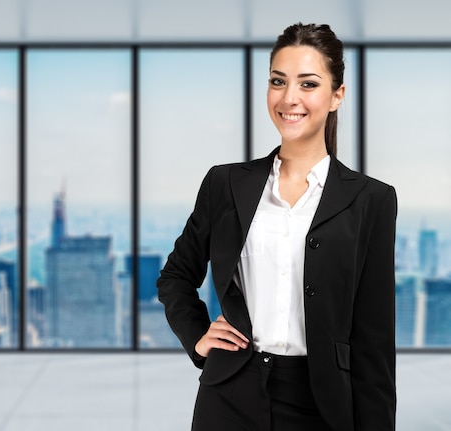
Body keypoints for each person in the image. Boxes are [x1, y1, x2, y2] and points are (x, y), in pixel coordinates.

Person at [157, 23, 397, 431]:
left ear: (337, 95)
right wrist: (197, 337)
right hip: (229, 394)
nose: (289, 98)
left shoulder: (371, 200)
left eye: (308, 84)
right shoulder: (225, 184)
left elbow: (374, 341)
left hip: (321, 402)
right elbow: (176, 276)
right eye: (278, 81)